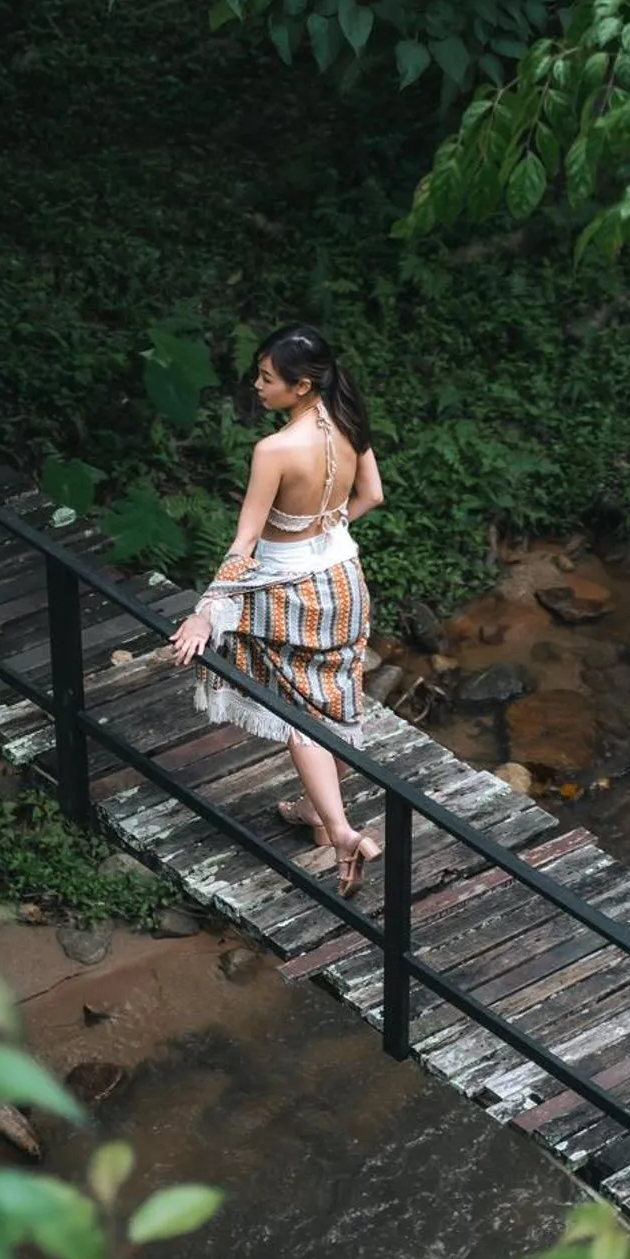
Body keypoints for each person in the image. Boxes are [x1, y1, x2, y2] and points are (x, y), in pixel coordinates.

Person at [168, 324, 385, 895]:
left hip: (291, 593)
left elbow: (244, 544)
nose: (256, 385)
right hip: (344, 581)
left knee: (298, 713)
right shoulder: (350, 422)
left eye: (267, 378)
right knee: (335, 700)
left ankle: (340, 830)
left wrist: (205, 609)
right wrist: (322, 538)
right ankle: (316, 816)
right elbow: (371, 497)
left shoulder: (274, 451)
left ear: (301, 385)